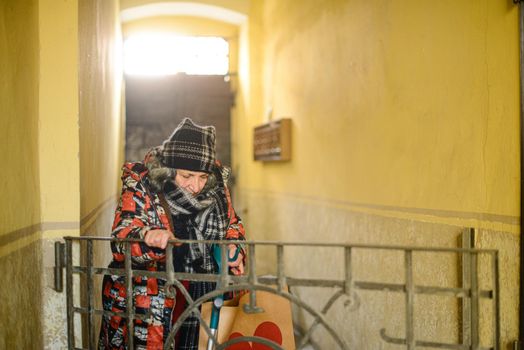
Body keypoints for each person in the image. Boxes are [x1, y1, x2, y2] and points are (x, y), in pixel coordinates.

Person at [98, 118, 246, 350]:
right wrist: (147, 236)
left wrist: (234, 247)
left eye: (202, 177)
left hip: (205, 295)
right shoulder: (142, 185)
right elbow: (121, 239)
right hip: (151, 301)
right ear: (170, 169)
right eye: (187, 176)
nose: (196, 186)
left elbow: (233, 225)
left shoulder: (217, 188)